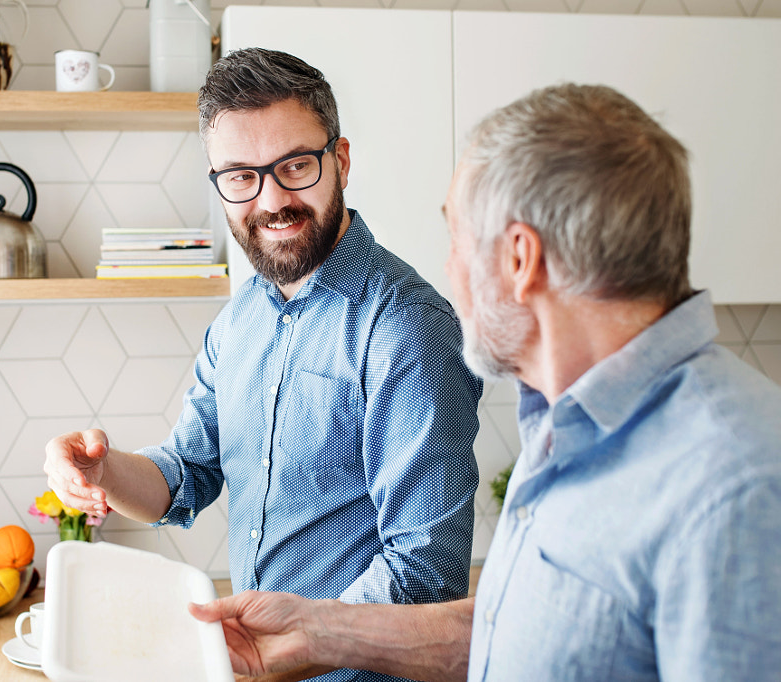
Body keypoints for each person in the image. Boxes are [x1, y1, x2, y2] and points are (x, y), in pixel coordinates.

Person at [189, 82, 781, 682]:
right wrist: (315, 632)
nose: (448, 269)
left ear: (520, 259)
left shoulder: (735, 487)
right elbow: (522, 631)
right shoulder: (567, 425)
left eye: (457, 238)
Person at [44, 48, 483, 681]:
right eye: (242, 176)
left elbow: (425, 575)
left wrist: (298, 642)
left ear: (342, 161)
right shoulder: (241, 317)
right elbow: (185, 472)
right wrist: (101, 470)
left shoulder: (405, 327)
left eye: (295, 165)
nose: (271, 199)